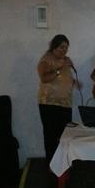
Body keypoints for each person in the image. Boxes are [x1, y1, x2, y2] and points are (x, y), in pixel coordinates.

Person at [37, 34, 81, 162]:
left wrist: (74, 82)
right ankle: (52, 164)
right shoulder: (46, 59)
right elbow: (44, 78)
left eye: (67, 48)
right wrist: (60, 68)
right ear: (54, 47)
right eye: (62, 47)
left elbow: (64, 78)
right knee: (51, 136)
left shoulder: (66, 60)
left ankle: (63, 163)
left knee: (65, 135)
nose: (65, 50)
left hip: (65, 104)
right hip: (49, 104)